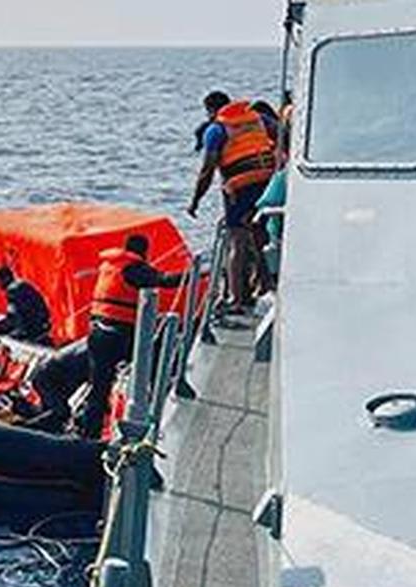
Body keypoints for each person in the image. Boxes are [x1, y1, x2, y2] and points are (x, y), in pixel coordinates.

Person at [79, 234, 185, 438]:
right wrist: (193, 274)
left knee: (99, 386)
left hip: (97, 333)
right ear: (143, 252)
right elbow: (164, 280)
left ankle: (89, 434)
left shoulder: (109, 266)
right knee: (153, 363)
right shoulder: (134, 269)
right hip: (120, 336)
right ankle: (156, 410)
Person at [186, 90, 277, 311]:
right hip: (267, 182)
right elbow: (283, 136)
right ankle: (267, 287)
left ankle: (236, 300)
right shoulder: (258, 119)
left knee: (237, 240)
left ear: (210, 110)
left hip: (239, 188)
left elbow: (207, 169)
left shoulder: (216, 130)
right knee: (261, 235)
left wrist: (195, 200)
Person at [0, 266, 51, 345]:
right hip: (41, 324)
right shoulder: (21, 284)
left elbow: (13, 317)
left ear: (6, 278)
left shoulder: (13, 290)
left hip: (33, 330)